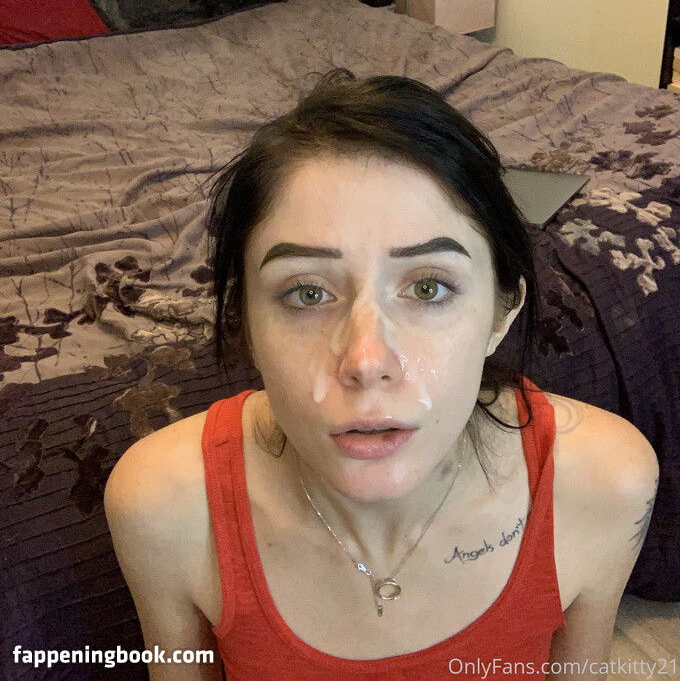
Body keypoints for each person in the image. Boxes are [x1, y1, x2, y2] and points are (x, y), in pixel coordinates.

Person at [105, 70, 658, 680]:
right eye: (307, 293)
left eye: (429, 288)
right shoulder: (164, 506)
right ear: (246, 324)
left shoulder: (604, 481)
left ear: (501, 314)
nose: (367, 362)